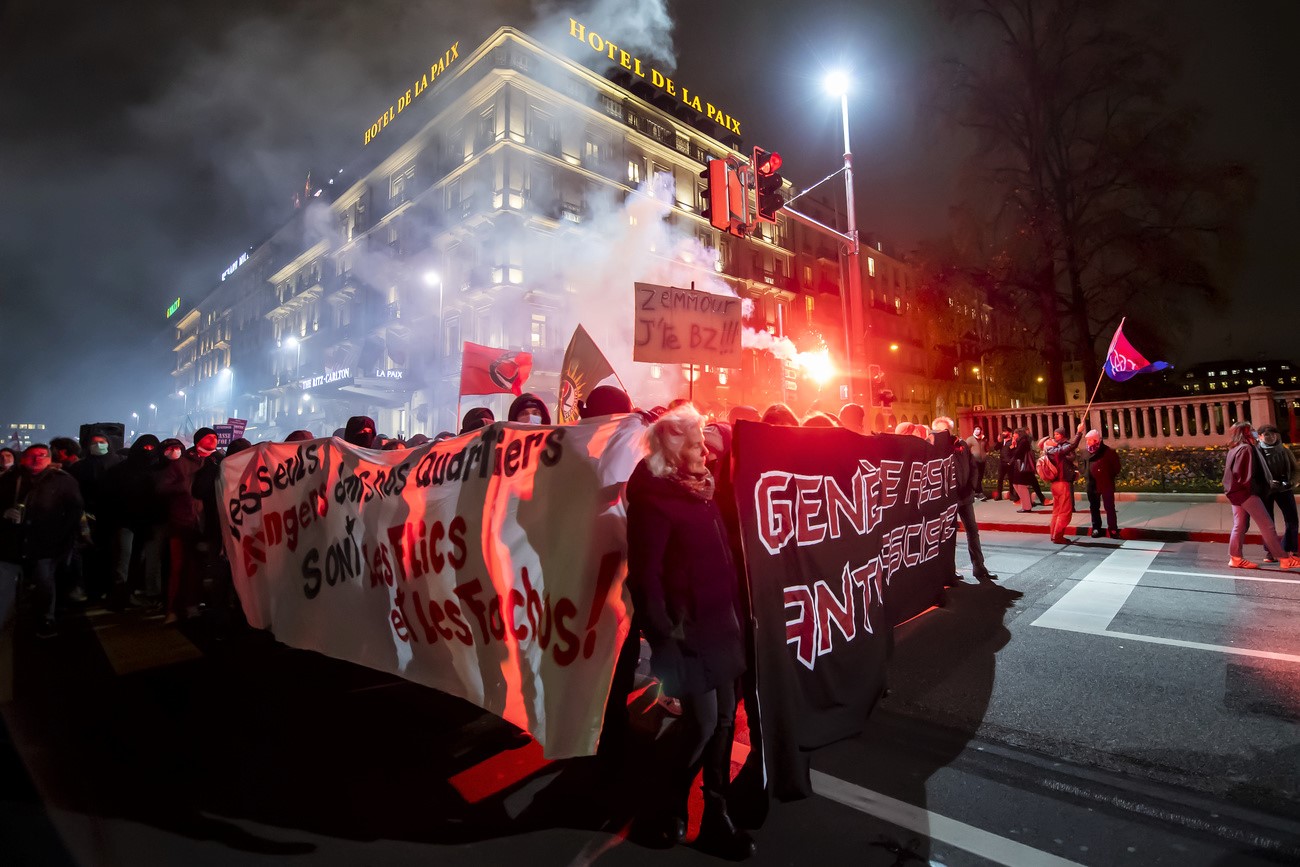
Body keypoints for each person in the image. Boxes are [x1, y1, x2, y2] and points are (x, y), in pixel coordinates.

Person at [624, 405, 754, 859]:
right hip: (687, 634)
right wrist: (663, 635)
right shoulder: (654, 497)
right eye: (697, 444)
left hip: (721, 625)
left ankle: (714, 813)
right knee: (700, 726)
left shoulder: (699, 489)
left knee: (721, 723)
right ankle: (661, 804)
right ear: (676, 448)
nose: (706, 451)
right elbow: (646, 576)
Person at [0, 444, 83, 638]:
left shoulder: (63, 480)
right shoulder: (10, 479)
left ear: (49, 458)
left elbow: (75, 510)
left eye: (42, 455)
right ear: (23, 459)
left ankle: (46, 619)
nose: (37, 459)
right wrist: (3, 513)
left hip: (45, 543)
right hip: (11, 543)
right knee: (6, 585)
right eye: (32, 456)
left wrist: (61, 536)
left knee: (44, 582)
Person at [1223, 423, 1298, 569]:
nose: (1254, 432)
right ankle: (1283, 558)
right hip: (1247, 493)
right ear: (1245, 433)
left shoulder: (1234, 448)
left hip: (1236, 493)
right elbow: (1245, 475)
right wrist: (1261, 488)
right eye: (1251, 430)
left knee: (1240, 525)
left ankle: (1235, 558)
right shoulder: (1246, 448)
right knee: (1267, 525)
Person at [933, 418, 997, 582]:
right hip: (948, 498)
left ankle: (979, 567)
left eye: (946, 430)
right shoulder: (935, 446)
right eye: (940, 431)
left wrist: (972, 486)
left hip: (965, 495)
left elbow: (972, 466)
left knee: (972, 532)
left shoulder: (961, 444)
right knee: (949, 535)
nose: (944, 433)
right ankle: (949, 571)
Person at [1256, 424, 1298, 562]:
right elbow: (1253, 473)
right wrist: (1266, 483)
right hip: (1266, 491)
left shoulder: (1284, 450)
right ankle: (1271, 551)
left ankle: (1290, 548)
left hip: (1284, 489)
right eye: (1267, 434)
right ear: (1260, 436)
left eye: (1273, 434)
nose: (1271, 437)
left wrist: (1291, 482)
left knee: (1291, 519)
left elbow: (1296, 470)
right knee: (1268, 522)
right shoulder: (1256, 453)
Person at [1044, 425, 1084, 544]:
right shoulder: (1057, 451)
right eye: (1053, 437)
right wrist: (1079, 432)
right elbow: (1072, 446)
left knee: (1057, 510)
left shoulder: (1049, 451)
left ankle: (1054, 534)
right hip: (1062, 483)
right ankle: (1058, 535)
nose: (1054, 438)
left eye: (1056, 435)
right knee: (1064, 511)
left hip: (1054, 484)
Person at [1083, 430, 1122, 539]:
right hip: (1091, 484)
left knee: (1109, 507)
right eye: (1087, 440)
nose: (1088, 442)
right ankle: (1096, 528)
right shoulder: (1086, 452)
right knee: (1094, 507)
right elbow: (1084, 466)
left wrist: (1107, 475)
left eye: (1090, 440)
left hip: (1105, 483)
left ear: (1096, 440)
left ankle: (1113, 528)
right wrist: (1086, 474)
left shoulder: (1108, 451)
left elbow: (1116, 467)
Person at [1008, 429, 1036, 512]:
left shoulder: (1023, 442)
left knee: (1021, 486)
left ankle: (1027, 506)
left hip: (1022, 466)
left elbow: (1017, 454)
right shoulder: (1021, 442)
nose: (1013, 436)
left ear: (1018, 434)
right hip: (1019, 466)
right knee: (1016, 484)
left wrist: (1013, 446)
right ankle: (1026, 504)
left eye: (1014, 434)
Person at [967, 426, 990, 500]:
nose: (977, 431)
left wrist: (987, 453)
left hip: (982, 461)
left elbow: (987, 448)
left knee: (980, 476)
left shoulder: (983, 439)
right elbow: (966, 449)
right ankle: (978, 492)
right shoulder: (970, 439)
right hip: (974, 461)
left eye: (979, 429)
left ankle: (978, 492)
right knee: (977, 476)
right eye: (976, 429)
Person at [993, 430, 1015, 501]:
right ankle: (999, 495)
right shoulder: (1002, 442)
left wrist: (1011, 462)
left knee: (1011, 479)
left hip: (1009, 463)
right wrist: (998, 441)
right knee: (1000, 479)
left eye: (1005, 432)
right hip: (1002, 463)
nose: (1003, 433)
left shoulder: (1012, 441)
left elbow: (1014, 452)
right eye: (1003, 432)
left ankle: (1012, 494)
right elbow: (995, 448)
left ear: (1009, 433)